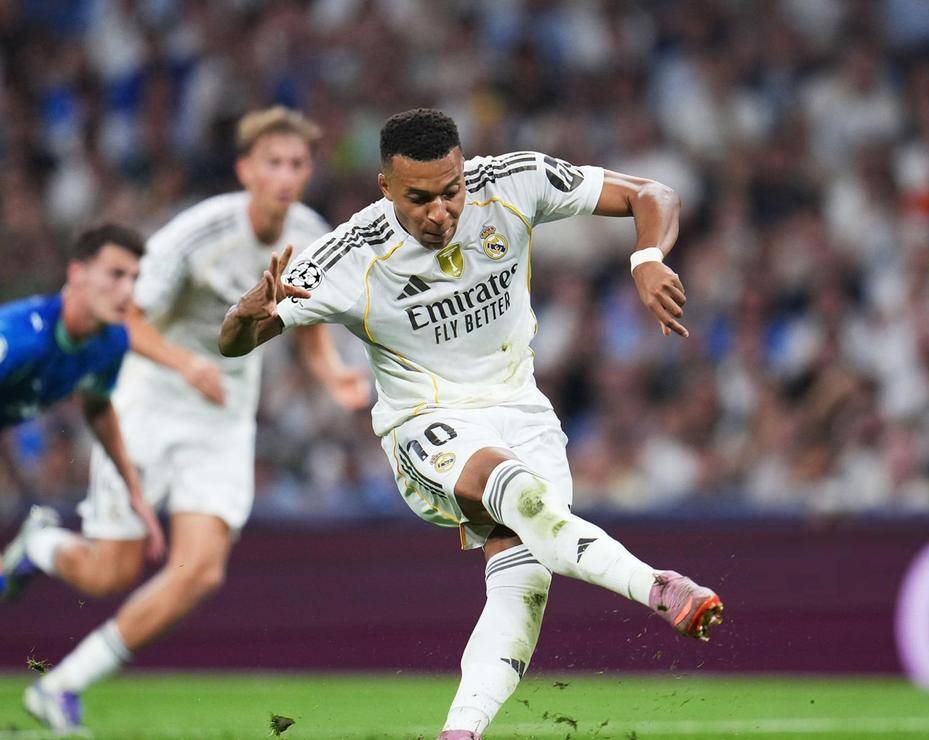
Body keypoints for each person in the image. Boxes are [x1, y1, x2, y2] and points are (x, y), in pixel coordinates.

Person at [219, 108, 724, 739]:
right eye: (419, 199)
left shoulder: (513, 182)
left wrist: (646, 256)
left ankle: (460, 731)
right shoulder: (351, 254)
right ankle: (658, 586)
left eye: (451, 191)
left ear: (463, 170)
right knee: (521, 493)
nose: (440, 213)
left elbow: (653, 193)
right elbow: (236, 340)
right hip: (425, 422)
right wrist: (242, 318)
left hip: (522, 410)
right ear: (385, 187)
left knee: (525, 583)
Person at [22, 107, 370, 733]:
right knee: (110, 572)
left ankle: (61, 685)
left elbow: (305, 320)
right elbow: (125, 317)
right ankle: (38, 544)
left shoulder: (313, 234)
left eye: (297, 164)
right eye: (273, 163)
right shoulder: (196, 233)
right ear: (245, 170)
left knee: (200, 571)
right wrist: (185, 363)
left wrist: (331, 373)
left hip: (224, 417)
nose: (285, 175)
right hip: (150, 399)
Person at [1, 224, 165, 600]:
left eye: (134, 279)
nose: (127, 291)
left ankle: (31, 550)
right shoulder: (19, 339)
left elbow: (98, 406)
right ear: (77, 273)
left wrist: (134, 491)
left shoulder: (112, 342)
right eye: (116, 275)